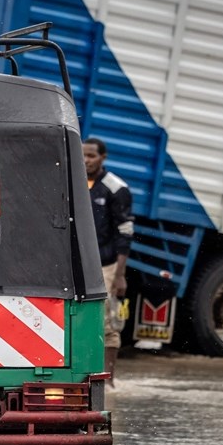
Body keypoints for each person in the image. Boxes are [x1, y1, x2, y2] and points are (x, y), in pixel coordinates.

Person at [83, 137, 133, 385]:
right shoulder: (75, 182)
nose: (85, 160)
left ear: (103, 158)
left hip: (107, 265)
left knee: (107, 323)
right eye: (82, 154)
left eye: (91, 156)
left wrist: (120, 274)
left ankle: (109, 381)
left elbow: (125, 232)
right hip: (80, 266)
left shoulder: (116, 188)